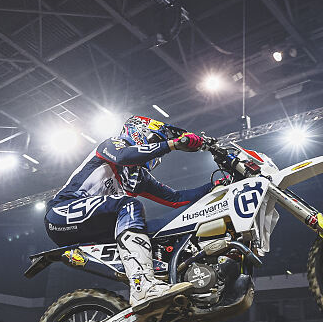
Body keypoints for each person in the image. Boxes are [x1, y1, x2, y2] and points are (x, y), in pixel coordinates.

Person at [44, 115, 218, 311]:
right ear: (138, 132)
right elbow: (124, 156)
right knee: (129, 205)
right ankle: (142, 286)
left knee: (155, 231)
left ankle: (164, 283)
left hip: (92, 225)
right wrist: (173, 144)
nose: (158, 152)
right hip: (62, 212)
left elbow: (176, 198)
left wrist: (215, 185)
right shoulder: (112, 145)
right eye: (155, 140)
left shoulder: (138, 175)